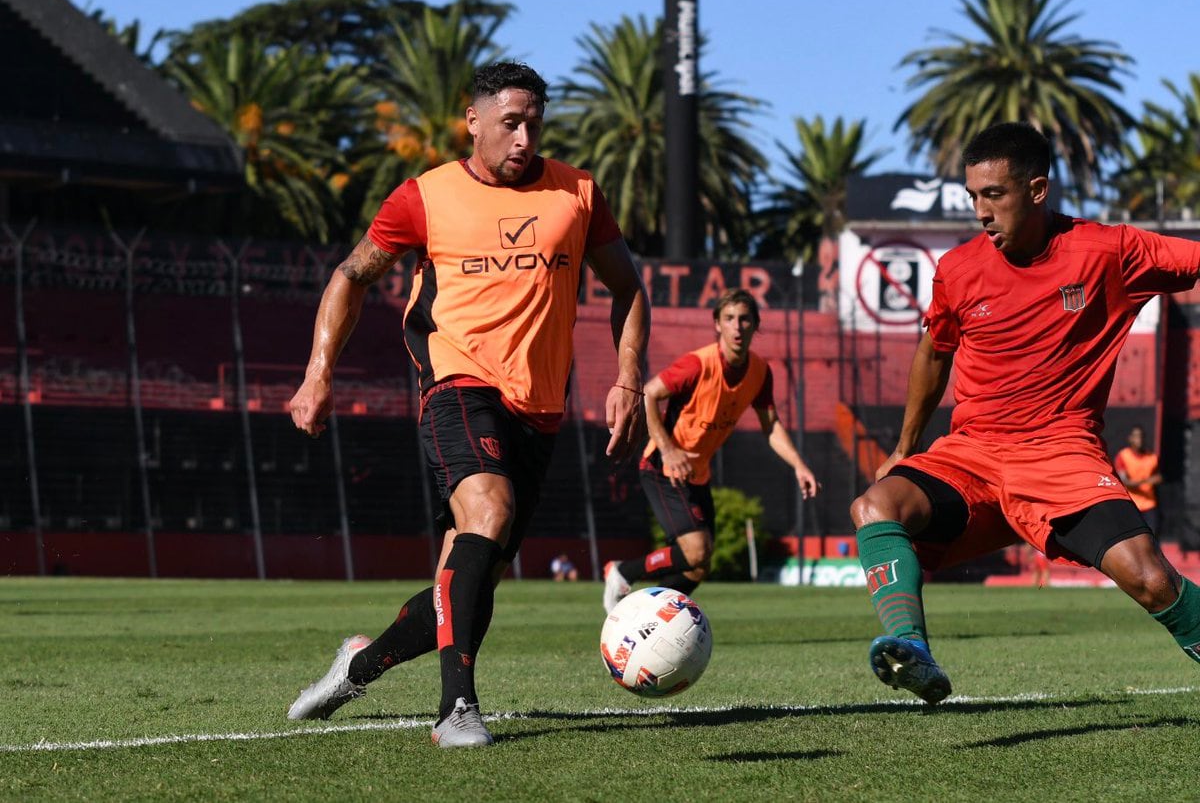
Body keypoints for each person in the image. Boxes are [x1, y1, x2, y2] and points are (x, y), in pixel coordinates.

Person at [285, 61, 649, 747]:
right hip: (454, 381)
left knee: (470, 584)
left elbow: (629, 288)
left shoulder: (578, 193)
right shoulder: (425, 196)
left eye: (534, 125)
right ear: (473, 122)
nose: (523, 139)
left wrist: (628, 376)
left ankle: (358, 664)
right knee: (490, 509)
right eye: (510, 123)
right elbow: (350, 276)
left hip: (539, 408)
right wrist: (317, 373)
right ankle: (457, 712)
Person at [849, 121, 1200, 705]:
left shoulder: (1109, 250)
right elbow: (935, 352)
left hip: (1061, 454)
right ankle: (910, 648)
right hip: (972, 455)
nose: (980, 213)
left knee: (1152, 578)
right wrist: (905, 446)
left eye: (994, 195)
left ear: (1037, 190)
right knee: (875, 505)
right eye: (972, 198)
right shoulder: (958, 269)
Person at [602, 288, 820, 612]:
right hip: (662, 466)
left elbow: (771, 425)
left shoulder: (760, 372)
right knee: (695, 550)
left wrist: (799, 466)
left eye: (745, 319)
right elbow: (648, 394)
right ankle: (622, 572)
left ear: (755, 325)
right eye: (729, 318)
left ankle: (648, 613)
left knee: (698, 566)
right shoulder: (697, 364)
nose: (737, 326)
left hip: (697, 474)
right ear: (717, 323)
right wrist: (669, 449)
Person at [1114, 424, 1162, 535]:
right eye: (1136, 436)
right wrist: (1146, 481)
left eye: (1141, 436)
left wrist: (1154, 480)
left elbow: (1159, 477)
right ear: (1130, 438)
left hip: (1149, 505)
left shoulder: (1152, 457)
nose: (1139, 439)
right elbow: (1125, 482)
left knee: (1152, 538)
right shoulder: (1123, 456)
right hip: (1131, 505)